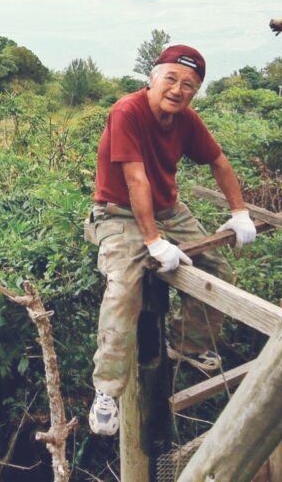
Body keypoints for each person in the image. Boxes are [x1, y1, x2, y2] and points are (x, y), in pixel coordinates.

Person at [85, 44, 257, 436]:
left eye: (189, 86)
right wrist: (154, 241)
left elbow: (219, 161)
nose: (179, 90)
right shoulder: (127, 111)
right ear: (153, 78)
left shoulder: (185, 120)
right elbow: (135, 179)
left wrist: (239, 212)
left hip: (168, 209)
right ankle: (107, 389)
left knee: (218, 272)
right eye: (172, 79)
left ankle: (187, 343)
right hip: (118, 212)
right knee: (123, 286)